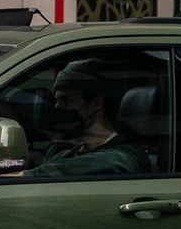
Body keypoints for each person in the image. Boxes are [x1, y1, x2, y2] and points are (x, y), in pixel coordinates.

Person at [24, 59, 154, 179]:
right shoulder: (64, 155)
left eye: (67, 100)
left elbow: (103, 162)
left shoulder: (128, 155)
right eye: (56, 101)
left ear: (97, 103)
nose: (58, 108)